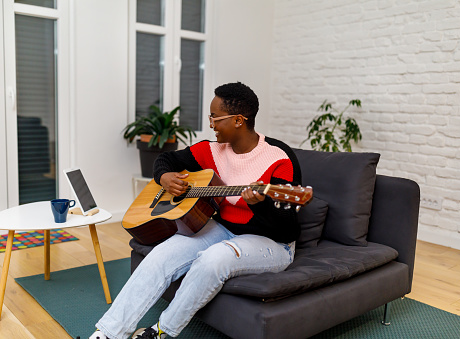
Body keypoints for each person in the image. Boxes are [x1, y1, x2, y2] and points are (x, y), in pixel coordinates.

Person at [90, 82, 302, 339]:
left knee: (213, 260)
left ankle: (160, 332)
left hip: (273, 243)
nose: (210, 123)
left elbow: (288, 227)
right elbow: (165, 159)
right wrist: (165, 176)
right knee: (160, 256)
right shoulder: (211, 150)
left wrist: (262, 204)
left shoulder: (279, 159)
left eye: (215, 117)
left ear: (237, 120)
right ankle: (109, 333)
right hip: (223, 229)